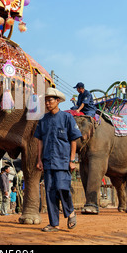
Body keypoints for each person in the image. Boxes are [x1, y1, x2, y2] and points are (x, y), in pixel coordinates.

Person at [34, 87, 82, 232]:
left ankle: (70, 212)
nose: (47, 103)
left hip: (63, 161)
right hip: (48, 161)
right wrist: (39, 160)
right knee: (50, 192)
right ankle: (54, 224)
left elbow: (73, 139)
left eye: (50, 100)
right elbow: (40, 141)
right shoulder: (43, 120)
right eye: (46, 101)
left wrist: (72, 160)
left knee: (62, 188)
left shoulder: (67, 118)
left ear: (58, 101)